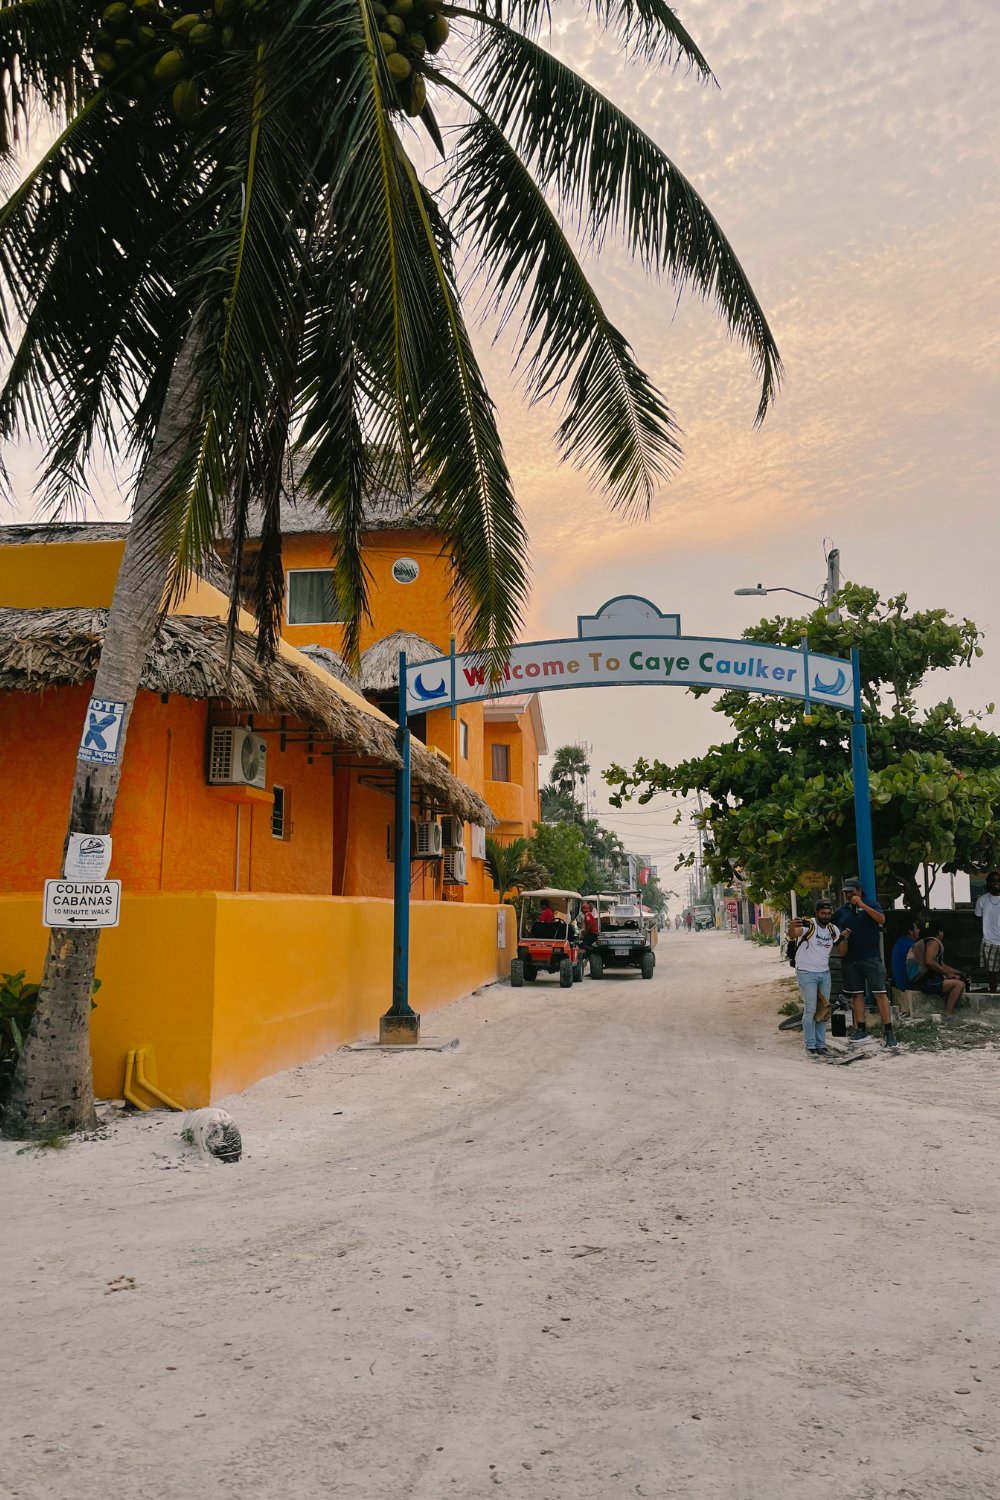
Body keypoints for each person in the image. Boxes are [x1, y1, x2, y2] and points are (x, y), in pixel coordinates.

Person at [832, 878, 897, 1050]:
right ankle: (860, 1028)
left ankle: (888, 1031)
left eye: (851, 891)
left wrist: (862, 905)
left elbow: (881, 919)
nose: (848, 894)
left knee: (880, 993)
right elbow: (831, 927)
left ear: (859, 891)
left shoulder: (871, 904)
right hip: (850, 958)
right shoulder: (841, 911)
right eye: (846, 892)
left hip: (871, 956)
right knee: (856, 995)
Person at [788, 900, 848, 1059]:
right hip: (806, 972)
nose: (826, 916)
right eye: (823, 914)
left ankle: (821, 1046)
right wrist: (792, 927)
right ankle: (810, 1046)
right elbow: (794, 934)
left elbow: (840, 950)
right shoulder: (809, 925)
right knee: (811, 1009)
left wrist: (843, 938)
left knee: (824, 1009)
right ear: (816, 912)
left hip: (824, 973)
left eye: (829, 914)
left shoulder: (832, 929)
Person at [906, 920, 969, 1022]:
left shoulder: (926, 942)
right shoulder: (934, 942)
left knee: (957, 979)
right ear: (940, 932)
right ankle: (948, 1014)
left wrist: (959, 973)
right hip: (926, 982)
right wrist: (946, 973)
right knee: (959, 985)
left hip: (921, 981)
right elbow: (929, 961)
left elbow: (941, 965)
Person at [975, 870, 1000, 993]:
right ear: (988, 883)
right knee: (992, 972)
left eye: (998, 880)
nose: (996, 883)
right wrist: (982, 937)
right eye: (993, 881)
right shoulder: (982, 900)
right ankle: (993, 995)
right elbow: (977, 921)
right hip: (989, 942)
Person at [891, 916, 921, 995]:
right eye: (916, 928)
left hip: (899, 982)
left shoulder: (900, 942)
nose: (918, 931)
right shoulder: (911, 945)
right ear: (911, 931)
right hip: (906, 984)